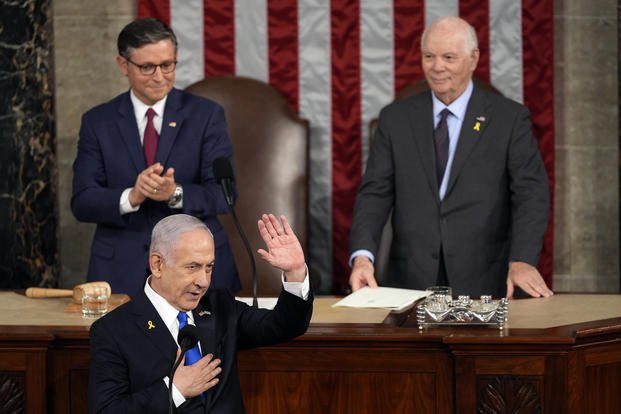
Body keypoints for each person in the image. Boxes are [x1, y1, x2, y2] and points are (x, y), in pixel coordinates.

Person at [348, 16, 553, 299]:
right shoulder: (395, 119)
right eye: (429, 56)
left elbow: (532, 194)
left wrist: (523, 259)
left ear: (473, 58)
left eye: (448, 57)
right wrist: (362, 256)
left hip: (485, 281)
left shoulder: (509, 119)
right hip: (410, 283)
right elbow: (374, 194)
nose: (437, 67)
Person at [71, 17, 240, 296]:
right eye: (147, 67)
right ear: (123, 65)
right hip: (120, 270)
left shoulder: (206, 115)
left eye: (167, 65)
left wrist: (174, 193)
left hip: (195, 269)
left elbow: (225, 195)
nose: (159, 76)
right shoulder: (97, 122)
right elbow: (82, 201)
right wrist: (132, 197)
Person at [88, 213, 312, 413]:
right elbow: (106, 409)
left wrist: (295, 272)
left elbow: (284, 325)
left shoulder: (220, 306)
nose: (203, 281)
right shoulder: (113, 330)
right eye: (193, 267)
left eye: (209, 267)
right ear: (157, 265)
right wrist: (174, 389)